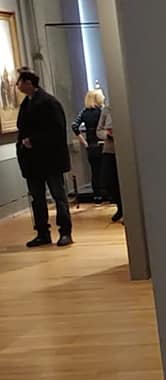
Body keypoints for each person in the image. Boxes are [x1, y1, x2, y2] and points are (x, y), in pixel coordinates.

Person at [15, 68, 72, 247]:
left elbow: (57, 130)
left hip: (50, 159)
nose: (18, 86)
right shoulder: (26, 104)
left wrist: (34, 140)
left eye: (20, 82)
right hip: (33, 161)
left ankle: (65, 232)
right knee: (37, 198)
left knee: (58, 196)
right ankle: (42, 232)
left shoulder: (49, 102)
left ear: (29, 83)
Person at [72, 88, 105, 203]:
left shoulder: (84, 112)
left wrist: (84, 142)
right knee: (105, 169)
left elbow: (74, 126)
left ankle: (97, 196)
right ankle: (106, 194)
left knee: (94, 171)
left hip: (90, 144)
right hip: (102, 143)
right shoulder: (101, 111)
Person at [96, 103, 123, 222]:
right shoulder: (106, 110)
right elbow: (99, 130)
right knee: (109, 180)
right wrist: (107, 135)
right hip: (109, 150)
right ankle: (119, 206)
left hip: (124, 151)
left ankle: (127, 209)